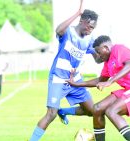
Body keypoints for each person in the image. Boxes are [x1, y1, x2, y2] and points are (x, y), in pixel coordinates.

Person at [29, 0, 101, 140]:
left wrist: (107, 53)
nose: (91, 30)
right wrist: (77, 13)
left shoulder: (89, 39)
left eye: (93, 28)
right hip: (59, 78)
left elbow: (98, 59)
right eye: (90, 26)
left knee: (92, 111)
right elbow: (58, 30)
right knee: (51, 113)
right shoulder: (68, 32)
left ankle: (64, 111)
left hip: (75, 80)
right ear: (82, 21)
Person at [67, 35, 130, 141]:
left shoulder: (118, 49)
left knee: (112, 111)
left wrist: (110, 81)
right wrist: (76, 84)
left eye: (99, 52)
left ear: (106, 47)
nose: (99, 56)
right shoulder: (108, 62)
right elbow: (101, 80)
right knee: (97, 109)